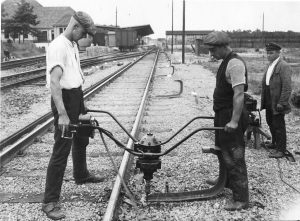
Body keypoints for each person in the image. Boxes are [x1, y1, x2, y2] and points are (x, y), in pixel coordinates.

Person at [42, 11, 104, 220]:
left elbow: (73, 75)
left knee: (82, 138)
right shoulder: (59, 46)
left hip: (76, 96)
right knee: (61, 150)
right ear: (75, 26)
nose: (84, 36)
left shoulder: (73, 45)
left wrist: (81, 103)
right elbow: (55, 83)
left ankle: (81, 174)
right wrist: (62, 114)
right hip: (65, 102)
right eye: (83, 32)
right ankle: (50, 202)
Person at [203, 31, 249, 210]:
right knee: (223, 150)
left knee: (235, 157)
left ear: (223, 47)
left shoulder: (235, 64)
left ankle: (241, 199)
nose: (211, 54)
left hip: (232, 115)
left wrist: (234, 121)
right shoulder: (225, 62)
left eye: (213, 50)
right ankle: (226, 181)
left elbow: (239, 94)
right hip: (223, 114)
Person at [260, 42, 292, 158]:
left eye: (271, 53)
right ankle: (274, 143)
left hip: (277, 100)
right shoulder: (270, 65)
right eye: (267, 53)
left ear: (278, 53)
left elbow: (287, 87)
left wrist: (282, 102)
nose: (269, 55)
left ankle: (281, 150)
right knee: (270, 121)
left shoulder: (283, 66)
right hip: (269, 98)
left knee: (279, 125)